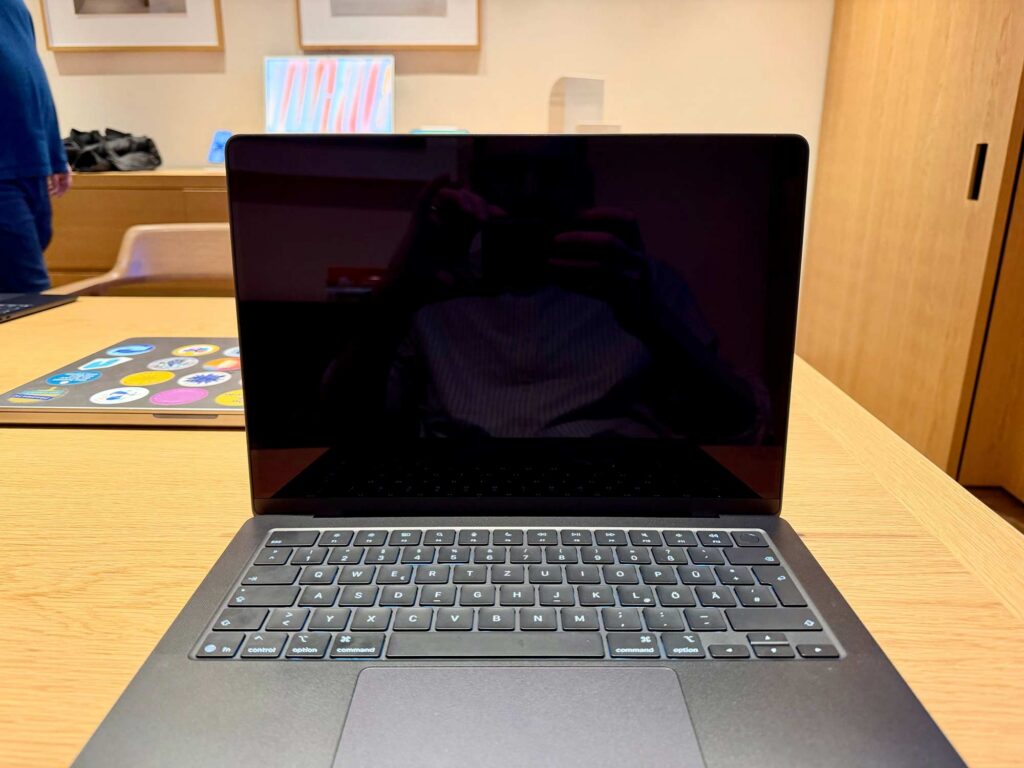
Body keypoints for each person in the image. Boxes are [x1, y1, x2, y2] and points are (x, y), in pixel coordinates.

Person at [0, 0, 71, 293]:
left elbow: (34, 79)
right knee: (29, 290)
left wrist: (55, 154)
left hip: (31, 163)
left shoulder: (14, 6)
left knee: (18, 290)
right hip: (4, 174)